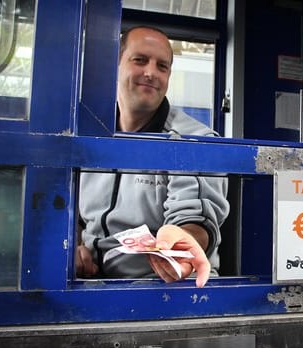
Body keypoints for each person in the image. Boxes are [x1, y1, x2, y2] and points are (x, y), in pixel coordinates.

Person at [75, 26, 229, 288]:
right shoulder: (87, 135)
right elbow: (71, 214)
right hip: (90, 285)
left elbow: (195, 220)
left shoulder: (192, 140)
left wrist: (181, 240)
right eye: (140, 60)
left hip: (162, 289)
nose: (151, 73)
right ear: (116, 64)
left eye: (162, 66)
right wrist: (75, 248)